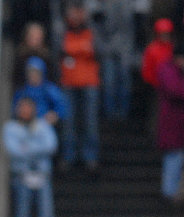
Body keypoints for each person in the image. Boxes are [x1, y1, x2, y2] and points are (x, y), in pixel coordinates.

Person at [2, 97, 59, 217]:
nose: (25, 111)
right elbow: (13, 150)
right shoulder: (11, 127)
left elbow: (51, 145)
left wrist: (26, 147)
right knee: (22, 214)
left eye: (28, 108)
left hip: (42, 176)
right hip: (22, 177)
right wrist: (36, 147)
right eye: (22, 108)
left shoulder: (42, 125)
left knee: (46, 214)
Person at [59, 3, 101, 173]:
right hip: (69, 82)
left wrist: (75, 52)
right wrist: (82, 51)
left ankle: (90, 157)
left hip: (89, 82)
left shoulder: (93, 31)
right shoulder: (62, 32)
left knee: (90, 122)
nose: (76, 15)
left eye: (79, 11)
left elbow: (98, 51)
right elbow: (61, 52)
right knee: (68, 122)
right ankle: (69, 155)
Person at [90, 0, 136, 121]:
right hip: (107, 49)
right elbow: (97, 27)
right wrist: (102, 47)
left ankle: (123, 112)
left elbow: (130, 27)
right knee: (108, 81)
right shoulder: (100, 6)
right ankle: (110, 113)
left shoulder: (127, 5)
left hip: (124, 48)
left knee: (124, 80)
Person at [155, 43, 184, 202]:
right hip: (172, 123)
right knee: (174, 158)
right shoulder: (167, 69)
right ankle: (169, 192)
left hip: (178, 123)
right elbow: (175, 90)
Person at [12, 56, 68, 127]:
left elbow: (62, 106)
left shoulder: (49, 89)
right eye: (31, 72)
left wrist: (55, 114)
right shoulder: (22, 90)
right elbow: (14, 108)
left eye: (36, 72)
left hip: (44, 124)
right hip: (25, 124)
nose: (33, 75)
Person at [13, 21, 58, 88]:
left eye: (38, 36)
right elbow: (16, 79)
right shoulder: (21, 57)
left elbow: (53, 78)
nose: (35, 39)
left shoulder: (47, 57)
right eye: (32, 36)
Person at [140, 18, 174, 89]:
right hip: (156, 87)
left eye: (167, 33)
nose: (165, 36)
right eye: (162, 34)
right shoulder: (151, 49)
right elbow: (147, 73)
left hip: (172, 85)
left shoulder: (174, 48)